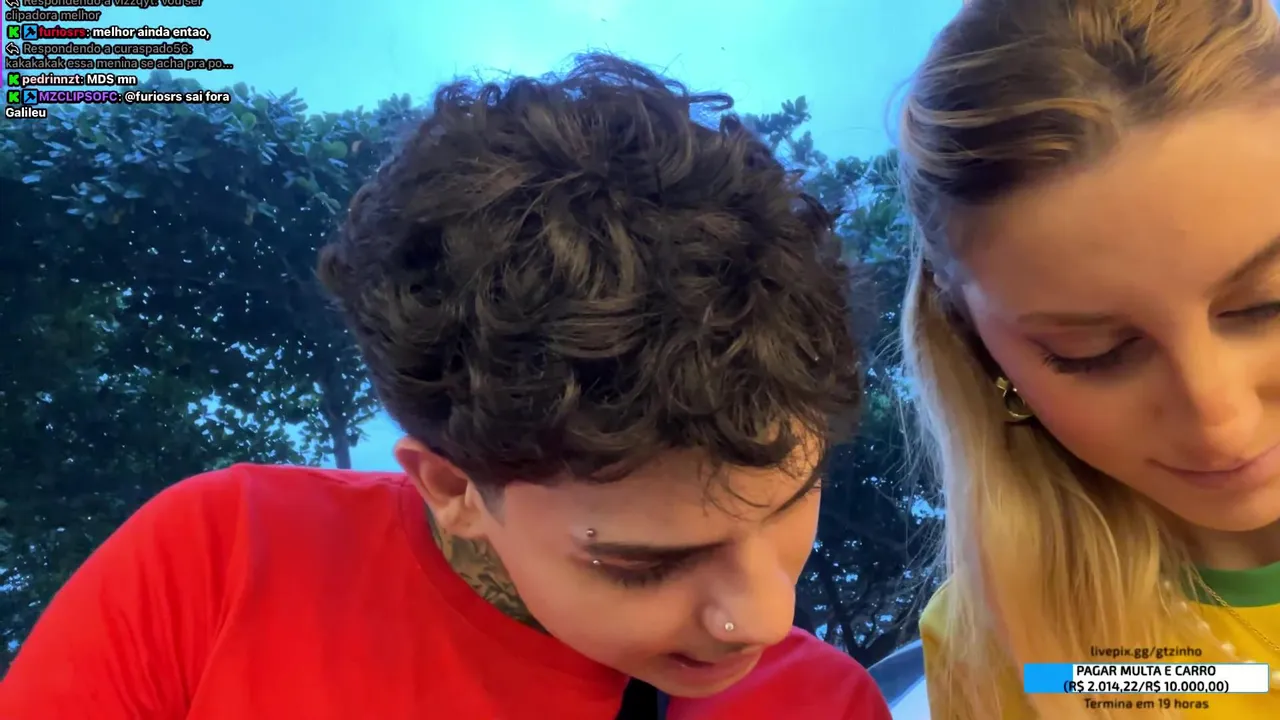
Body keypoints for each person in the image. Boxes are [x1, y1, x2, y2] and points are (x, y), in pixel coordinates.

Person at [0, 54, 892, 720]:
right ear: (454, 487)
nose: (763, 616)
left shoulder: (820, 705)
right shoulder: (220, 568)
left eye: (790, 505)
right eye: (643, 564)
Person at [897, 0, 1280, 718]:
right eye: (1093, 354)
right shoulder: (1019, 653)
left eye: (1267, 304)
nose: (1220, 419)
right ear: (978, 349)